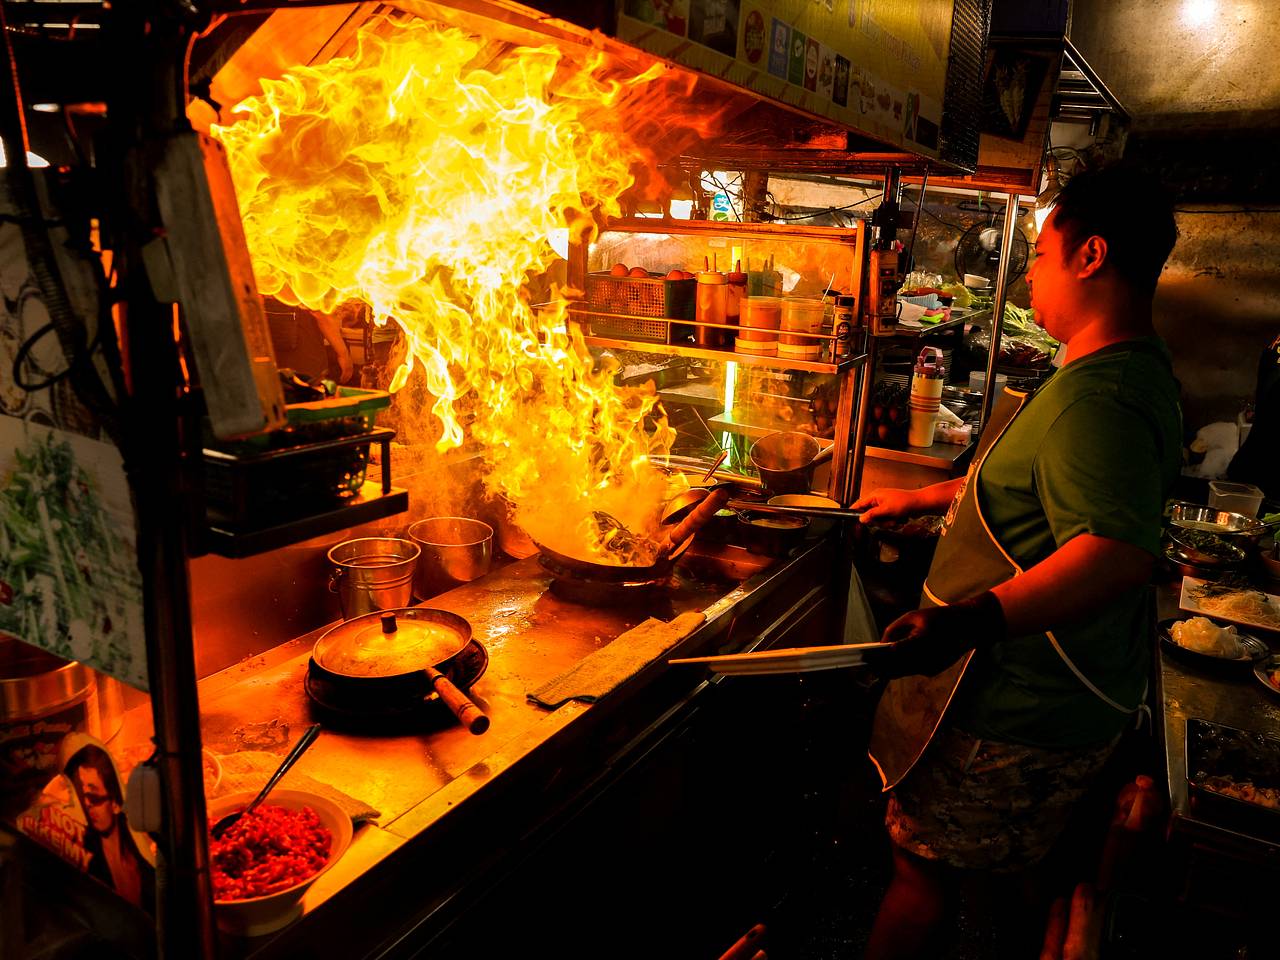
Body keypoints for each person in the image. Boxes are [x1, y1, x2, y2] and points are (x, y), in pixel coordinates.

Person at [852, 165, 1182, 959]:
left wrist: (967, 621)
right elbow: (1037, 488)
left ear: (1091, 255)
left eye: (1040, 252)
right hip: (1049, 697)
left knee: (923, 870)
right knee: (1004, 870)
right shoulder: (1121, 370)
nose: (1029, 270)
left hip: (1017, 702)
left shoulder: (1098, 399)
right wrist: (925, 501)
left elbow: (1113, 554)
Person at [64, 743, 156, 911]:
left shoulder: (143, 861)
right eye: (79, 796)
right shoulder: (84, 865)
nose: (87, 805)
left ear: (115, 803)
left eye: (93, 796)